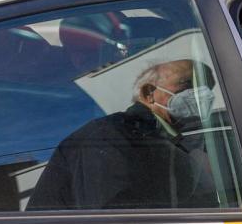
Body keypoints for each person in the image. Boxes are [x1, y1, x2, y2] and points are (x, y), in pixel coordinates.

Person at [28, 59, 218, 210]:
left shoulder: (181, 141)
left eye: (207, 86)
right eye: (188, 84)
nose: (202, 94)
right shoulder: (110, 136)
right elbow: (114, 218)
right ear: (149, 93)